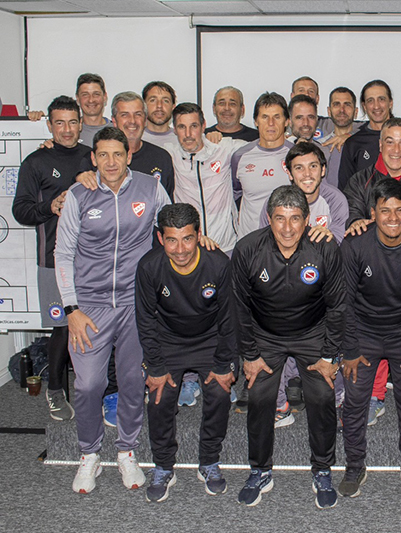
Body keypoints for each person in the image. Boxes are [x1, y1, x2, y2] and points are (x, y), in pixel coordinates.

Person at [54, 126, 171, 494]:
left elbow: (172, 232)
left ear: (129, 155)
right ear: (93, 158)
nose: (110, 162)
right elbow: (63, 253)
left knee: (133, 380)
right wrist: (71, 308)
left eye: (117, 154)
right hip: (89, 306)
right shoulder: (79, 194)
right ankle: (89, 454)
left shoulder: (151, 188)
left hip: (136, 303)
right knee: (89, 384)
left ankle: (126, 450)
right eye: (102, 154)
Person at [232, 185, 344, 509]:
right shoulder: (247, 249)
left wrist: (330, 355)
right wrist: (250, 355)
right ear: (268, 219)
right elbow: (238, 307)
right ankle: (260, 470)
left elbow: (338, 306)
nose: (287, 228)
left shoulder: (325, 248)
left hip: (312, 333)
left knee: (322, 397)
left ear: (307, 220)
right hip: (265, 334)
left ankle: (322, 469)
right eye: (279, 218)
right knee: (259, 397)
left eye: (295, 218)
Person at [338, 179, 401, 498]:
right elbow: (343, 301)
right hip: (363, 334)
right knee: (354, 404)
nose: (393, 218)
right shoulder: (354, 244)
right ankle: (354, 466)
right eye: (385, 211)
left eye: (399, 210)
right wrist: (350, 349)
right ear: (372, 213)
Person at [136, 203, 236, 502]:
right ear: (160, 238)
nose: (180, 249)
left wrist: (223, 364)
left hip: (209, 338)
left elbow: (230, 318)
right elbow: (145, 319)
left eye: (187, 239)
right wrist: (155, 366)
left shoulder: (218, 264)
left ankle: (209, 461)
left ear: (198, 235)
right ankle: (163, 465)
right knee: (159, 397)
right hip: (168, 340)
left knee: (219, 392)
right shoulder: (149, 266)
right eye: (171, 240)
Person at [12, 95, 91, 422]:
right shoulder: (36, 161)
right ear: (49, 125)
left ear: (81, 124)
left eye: (72, 122)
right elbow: (21, 211)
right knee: (62, 328)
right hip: (52, 261)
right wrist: (50, 206)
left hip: (93, 260)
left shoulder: (93, 157)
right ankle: (56, 390)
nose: (67, 129)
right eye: (60, 122)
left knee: (95, 326)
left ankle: (97, 390)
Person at [164, 102, 246, 255]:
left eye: (194, 126)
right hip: (189, 249)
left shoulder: (223, 148)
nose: (188, 134)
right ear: (174, 129)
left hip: (226, 246)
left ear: (203, 126)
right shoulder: (168, 154)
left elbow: (259, 147)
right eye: (182, 127)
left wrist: (291, 139)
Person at [338, 80, 401, 189]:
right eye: (370, 100)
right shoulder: (353, 143)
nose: (376, 106)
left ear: (390, 103)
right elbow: (345, 188)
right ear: (364, 106)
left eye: (381, 99)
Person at [230, 92, 293, 238]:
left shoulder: (297, 156)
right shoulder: (240, 156)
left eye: (277, 117)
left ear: (286, 121)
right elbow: (236, 193)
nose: (271, 123)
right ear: (256, 121)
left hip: (287, 241)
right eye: (265, 117)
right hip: (249, 242)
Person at [319, 87, 360, 190]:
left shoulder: (365, 141)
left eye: (347, 104)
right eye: (336, 104)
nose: (342, 110)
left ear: (356, 112)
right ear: (329, 111)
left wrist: (350, 136)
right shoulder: (320, 145)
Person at [142, 81, 177, 148]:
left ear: (173, 107)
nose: (159, 105)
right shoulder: (135, 139)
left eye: (165, 101)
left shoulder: (181, 140)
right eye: (153, 100)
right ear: (143, 106)